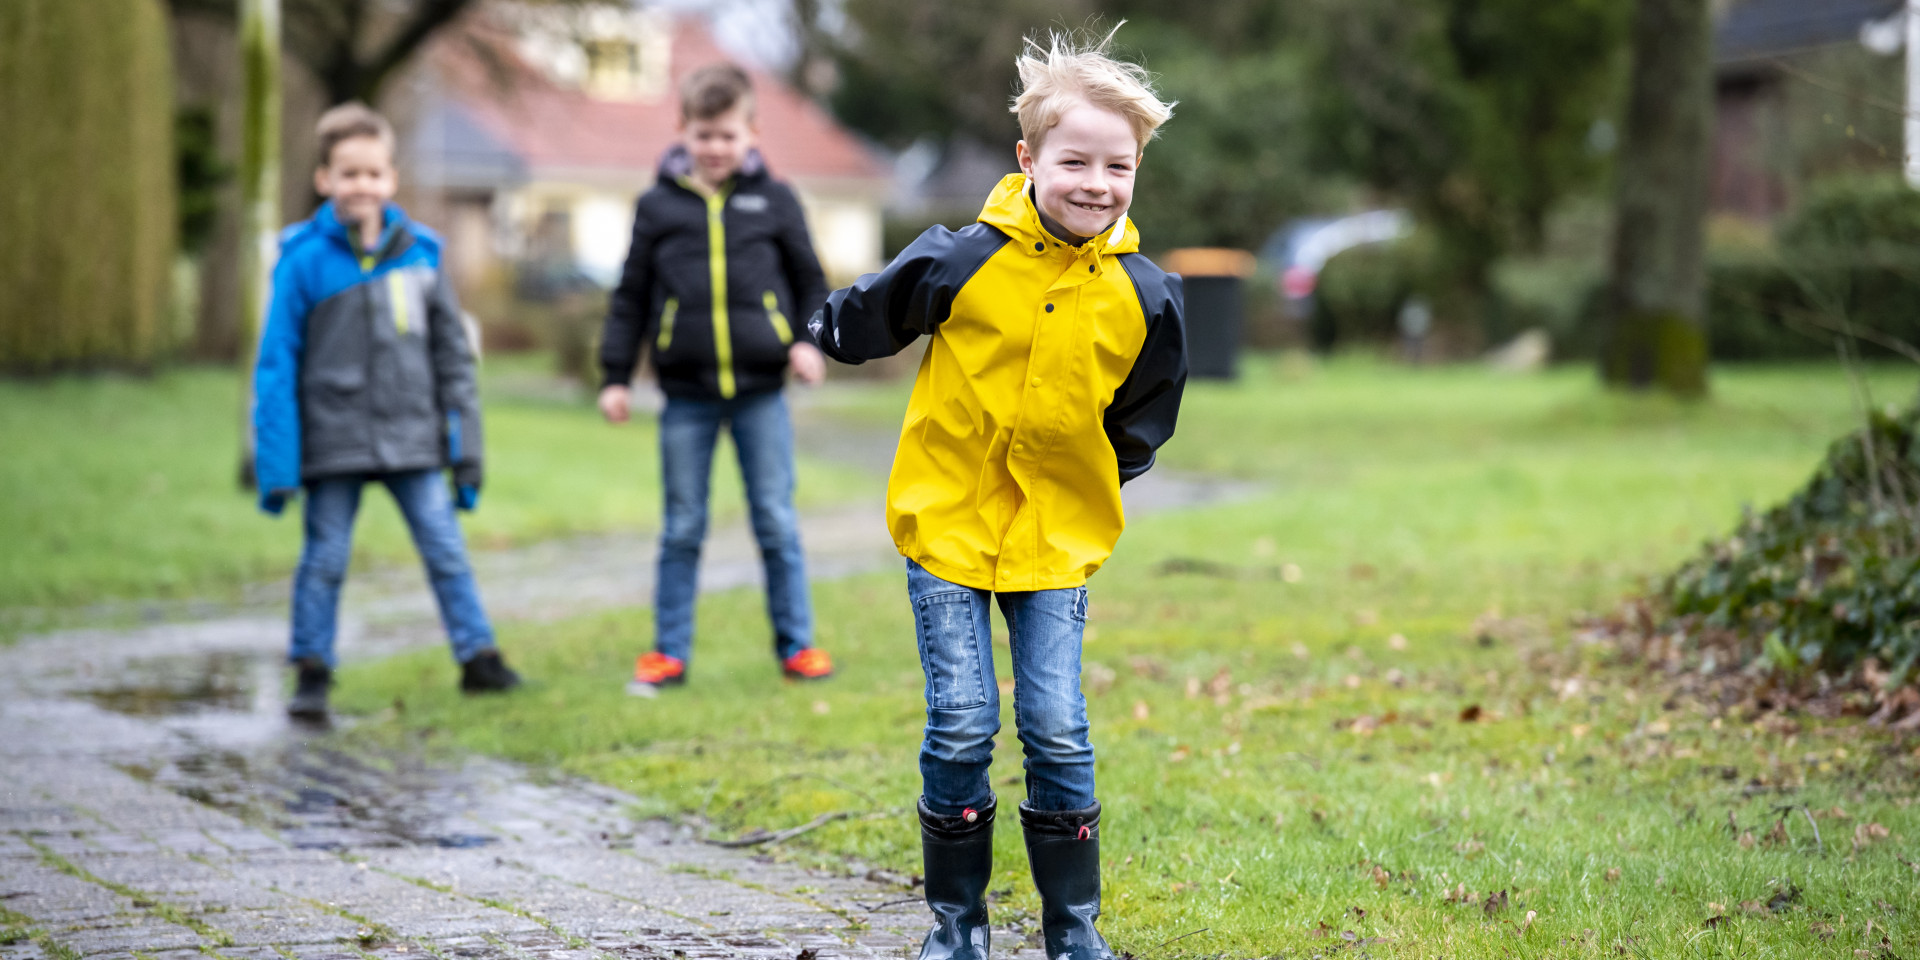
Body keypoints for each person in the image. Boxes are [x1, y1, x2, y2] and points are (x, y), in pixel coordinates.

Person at [809, 28, 1184, 960]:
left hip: (1055, 538)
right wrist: (817, 329)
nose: (1096, 183)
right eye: (1075, 162)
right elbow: (869, 314)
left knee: (1057, 726)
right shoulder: (960, 259)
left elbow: (1146, 412)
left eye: (1118, 166)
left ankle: (1073, 929)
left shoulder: (1148, 295)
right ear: (1028, 161)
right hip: (948, 525)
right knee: (964, 719)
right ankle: (958, 924)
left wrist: (1098, 474)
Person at [253, 102, 520, 721]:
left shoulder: (423, 256)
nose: (361, 186)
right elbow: (276, 367)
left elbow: (455, 361)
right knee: (324, 559)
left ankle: (479, 660)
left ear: (392, 180)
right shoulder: (301, 262)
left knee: (445, 550)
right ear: (324, 180)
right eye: (348, 174)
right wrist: (276, 467)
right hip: (333, 442)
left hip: (413, 440)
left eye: (373, 174)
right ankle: (312, 672)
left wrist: (466, 453)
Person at [599, 63, 835, 693]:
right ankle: (668, 653)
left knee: (775, 521)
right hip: (685, 397)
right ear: (683, 132)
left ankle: (798, 646)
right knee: (681, 526)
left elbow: (811, 281)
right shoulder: (657, 206)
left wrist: (807, 342)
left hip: (762, 393)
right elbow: (630, 296)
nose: (715, 148)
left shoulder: (776, 201)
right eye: (704, 135)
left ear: (752, 134)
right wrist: (615, 377)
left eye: (728, 136)